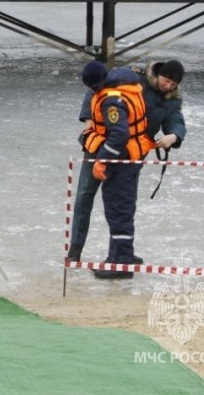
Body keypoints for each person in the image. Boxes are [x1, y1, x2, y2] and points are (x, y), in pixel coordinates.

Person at [68, 59, 186, 263]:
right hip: (101, 147)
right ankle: (75, 251)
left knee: (123, 205)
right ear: (158, 74)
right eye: (166, 81)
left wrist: (173, 136)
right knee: (85, 196)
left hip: (130, 156)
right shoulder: (133, 75)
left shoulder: (172, 99)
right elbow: (97, 84)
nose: (168, 86)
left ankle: (122, 254)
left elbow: (175, 120)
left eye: (173, 85)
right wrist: (88, 118)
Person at [77, 61, 158, 279]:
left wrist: (102, 160)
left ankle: (121, 262)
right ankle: (120, 255)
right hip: (131, 158)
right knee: (122, 209)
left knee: (118, 210)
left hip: (122, 161)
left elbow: (119, 135)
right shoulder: (127, 84)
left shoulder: (111, 100)